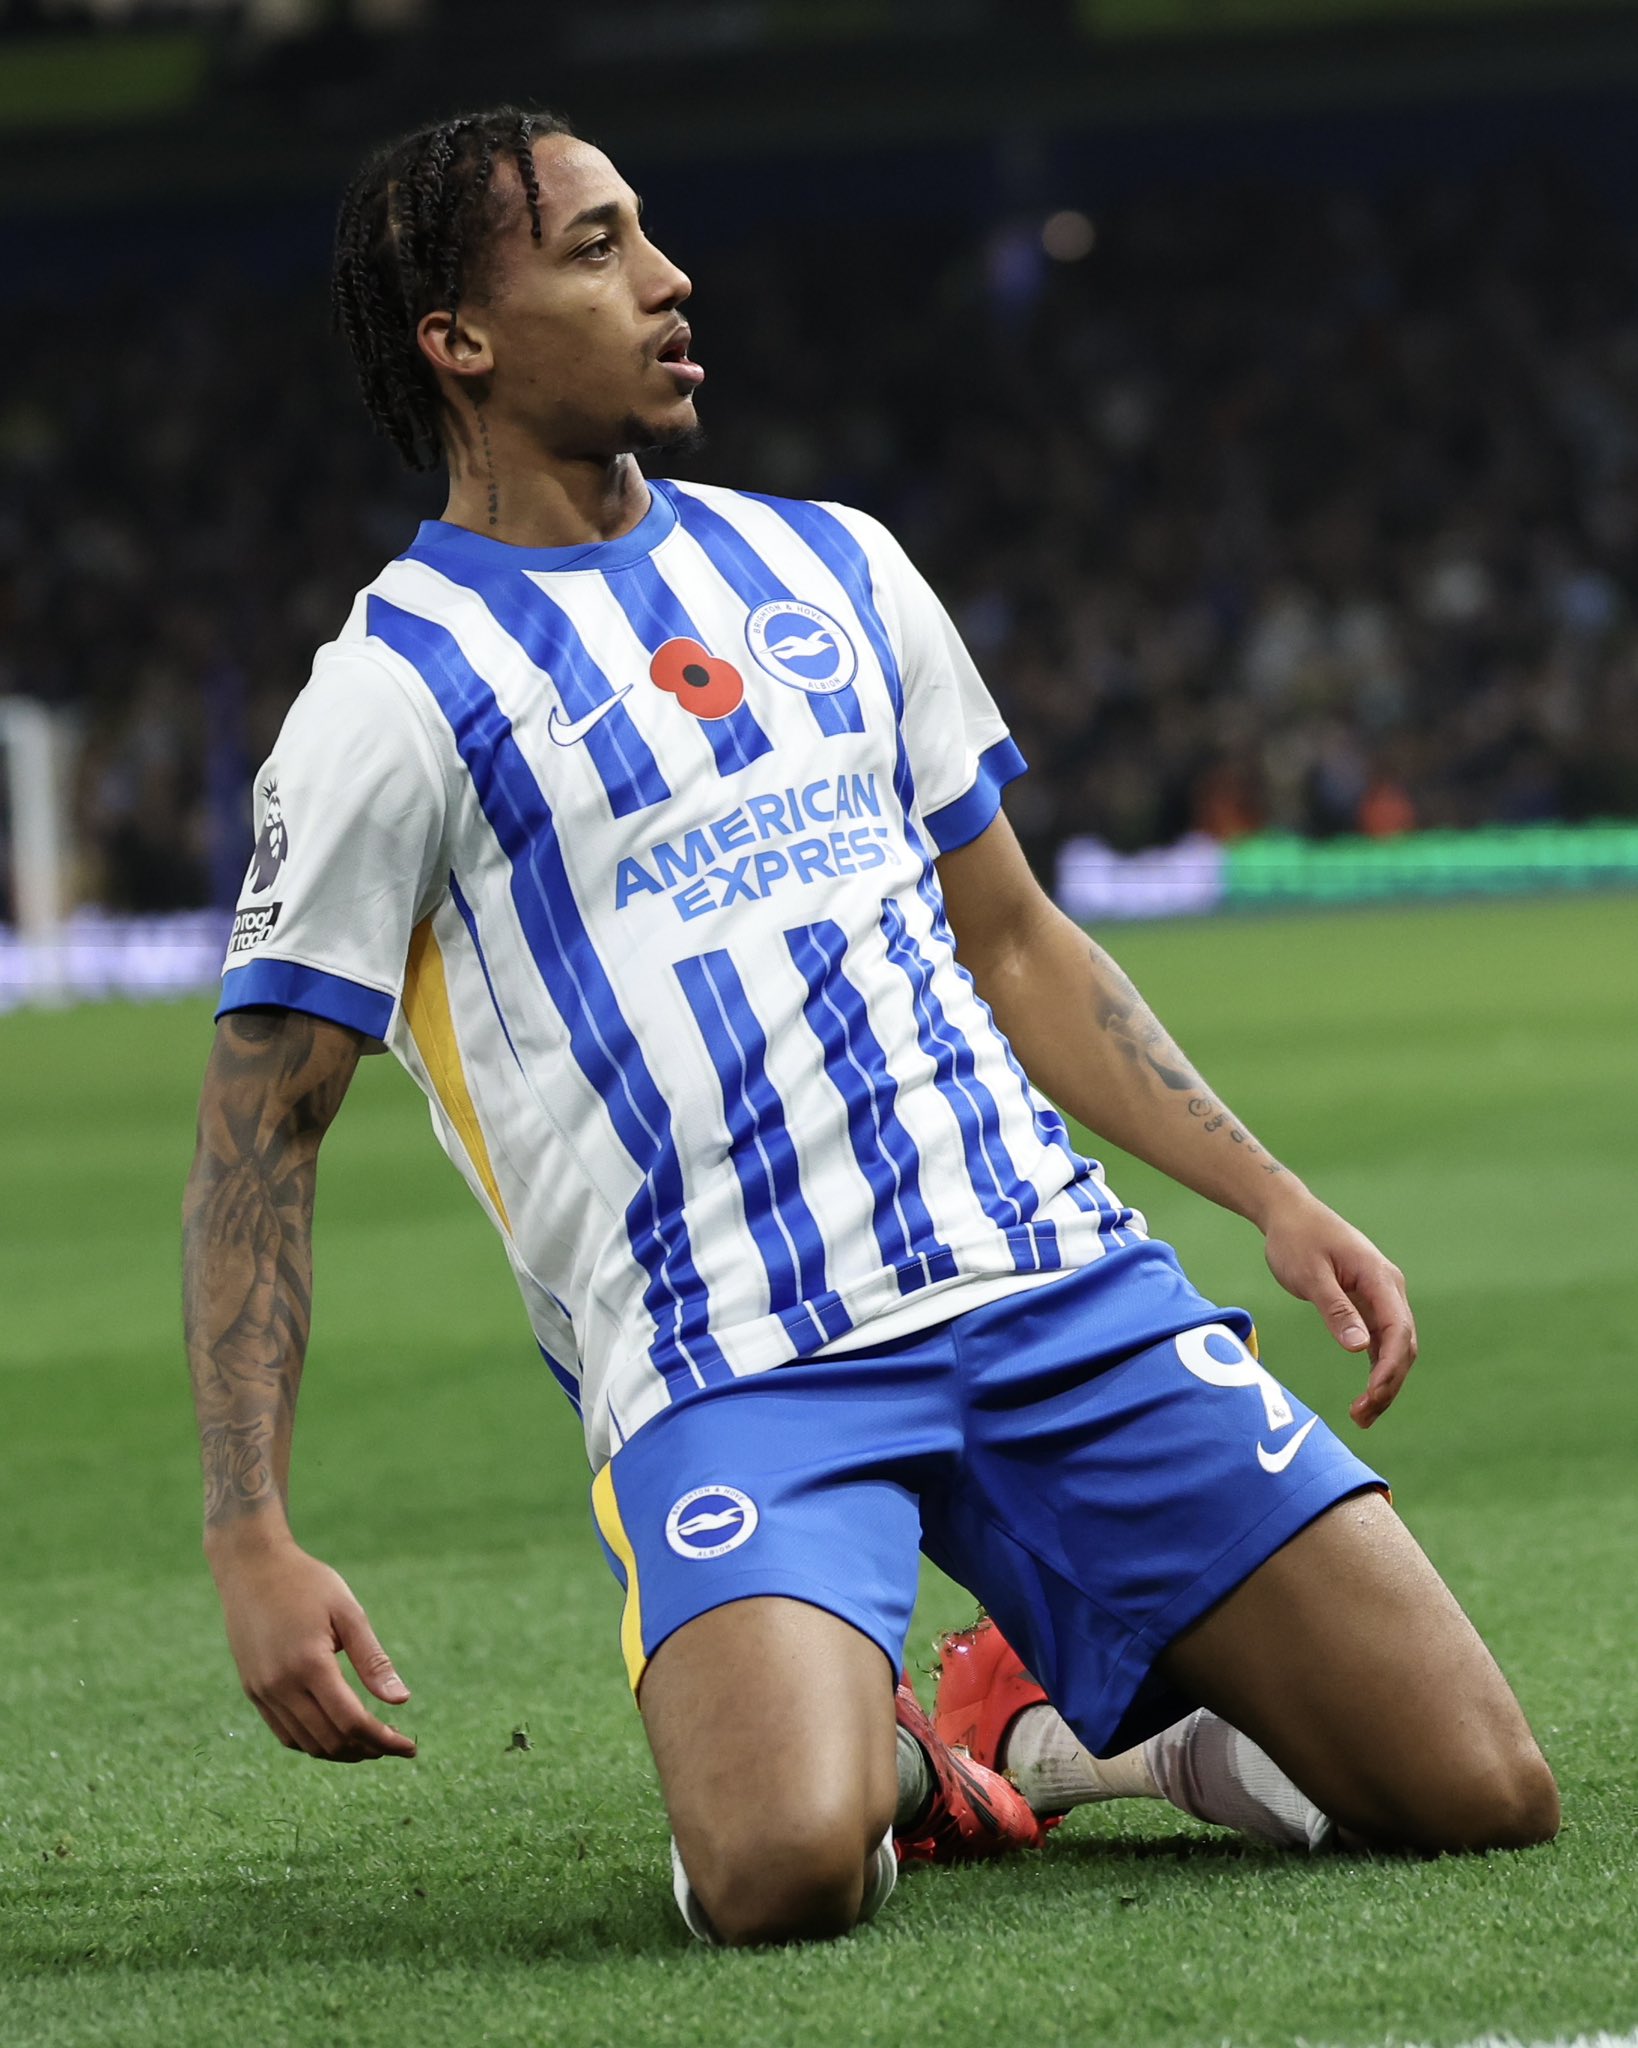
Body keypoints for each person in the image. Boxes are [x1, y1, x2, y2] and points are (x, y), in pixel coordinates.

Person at [182, 106, 1559, 1949]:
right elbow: (259, 1132)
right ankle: (891, 1759)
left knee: (1478, 1793)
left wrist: (1267, 1193)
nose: (668, 280)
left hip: (1045, 1286)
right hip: (733, 1363)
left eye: (646, 232)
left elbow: (1016, 938)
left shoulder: (833, 567)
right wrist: (247, 1532)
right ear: (460, 340)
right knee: (779, 1875)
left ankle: (1085, 1739)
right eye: (595, 249)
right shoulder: (388, 697)